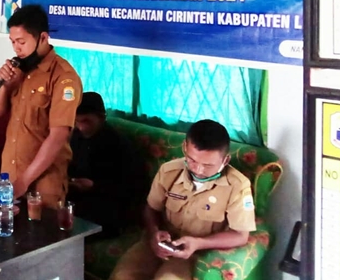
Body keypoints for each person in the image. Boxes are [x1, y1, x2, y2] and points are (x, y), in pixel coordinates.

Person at [109, 120, 257, 280]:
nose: (199, 170)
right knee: (122, 276)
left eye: (208, 165)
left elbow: (240, 235)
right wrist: (154, 233)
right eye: (192, 160)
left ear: (225, 160)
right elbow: (151, 208)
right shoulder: (169, 171)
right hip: (160, 243)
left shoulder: (238, 186)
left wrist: (198, 243)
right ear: (185, 147)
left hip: (195, 252)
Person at [0, 4, 82, 208]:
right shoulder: (19, 69)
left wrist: (24, 182)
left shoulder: (63, 76)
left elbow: (58, 136)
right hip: (10, 177)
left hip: (43, 185)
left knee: (40, 228)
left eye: (21, 42)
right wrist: (5, 85)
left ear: (43, 38)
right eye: (13, 42)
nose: (16, 48)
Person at [68, 92, 146, 238]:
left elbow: (133, 187)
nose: (81, 127)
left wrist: (95, 186)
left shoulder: (119, 145)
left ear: (102, 118)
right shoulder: (76, 137)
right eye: (76, 122)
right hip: (81, 199)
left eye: (86, 121)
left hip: (110, 207)